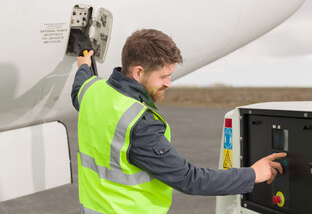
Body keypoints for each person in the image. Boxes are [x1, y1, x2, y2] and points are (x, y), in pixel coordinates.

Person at [71, 29, 286, 214]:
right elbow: (189, 179)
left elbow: (78, 88)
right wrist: (253, 174)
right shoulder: (139, 123)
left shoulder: (91, 91)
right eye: (163, 76)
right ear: (138, 72)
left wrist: (84, 65)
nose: (169, 84)